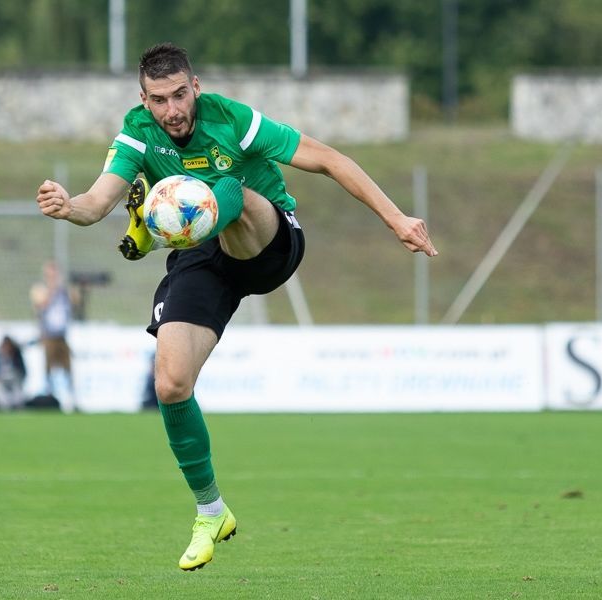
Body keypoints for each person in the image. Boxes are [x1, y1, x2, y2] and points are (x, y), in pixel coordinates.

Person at [36, 42, 438, 571]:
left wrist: (396, 218)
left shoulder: (233, 120)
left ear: (195, 87)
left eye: (180, 95)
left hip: (267, 241)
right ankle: (211, 511)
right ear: (144, 99)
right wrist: (68, 207)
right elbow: (95, 202)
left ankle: (158, 220)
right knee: (170, 384)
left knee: (230, 186)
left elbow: (329, 159)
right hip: (204, 254)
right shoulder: (137, 130)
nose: (173, 109)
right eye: (160, 100)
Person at [29, 261, 77, 411]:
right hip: (49, 337)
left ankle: (72, 399)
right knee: (48, 368)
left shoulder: (64, 291)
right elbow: (40, 305)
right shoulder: (40, 289)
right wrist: (52, 290)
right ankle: (49, 397)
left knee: (67, 368)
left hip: (62, 336)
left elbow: (75, 302)